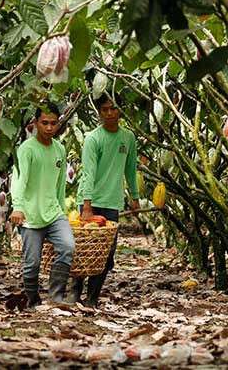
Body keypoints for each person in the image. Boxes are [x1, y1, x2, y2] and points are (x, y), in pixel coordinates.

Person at [70, 92, 140, 307]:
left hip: (112, 203)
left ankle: (92, 299)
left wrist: (135, 198)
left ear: (120, 110)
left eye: (113, 108)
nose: (109, 113)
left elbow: (130, 169)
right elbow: (88, 173)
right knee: (85, 251)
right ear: (99, 112)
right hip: (91, 202)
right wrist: (87, 206)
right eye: (104, 110)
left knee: (106, 256)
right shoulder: (93, 138)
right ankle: (75, 295)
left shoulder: (128, 138)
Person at [9, 102, 75, 306]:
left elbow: (59, 184)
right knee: (32, 263)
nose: (49, 128)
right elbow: (19, 179)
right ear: (35, 123)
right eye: (44, 123)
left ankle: (56, 296)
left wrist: (62, 210)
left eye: (53, 123)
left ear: (59, 124)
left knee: (67, 247)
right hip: (30, 215)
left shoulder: (60, 150)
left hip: (54, 213)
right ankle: (32, 299)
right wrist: (18, 206)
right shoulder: (27, 149)